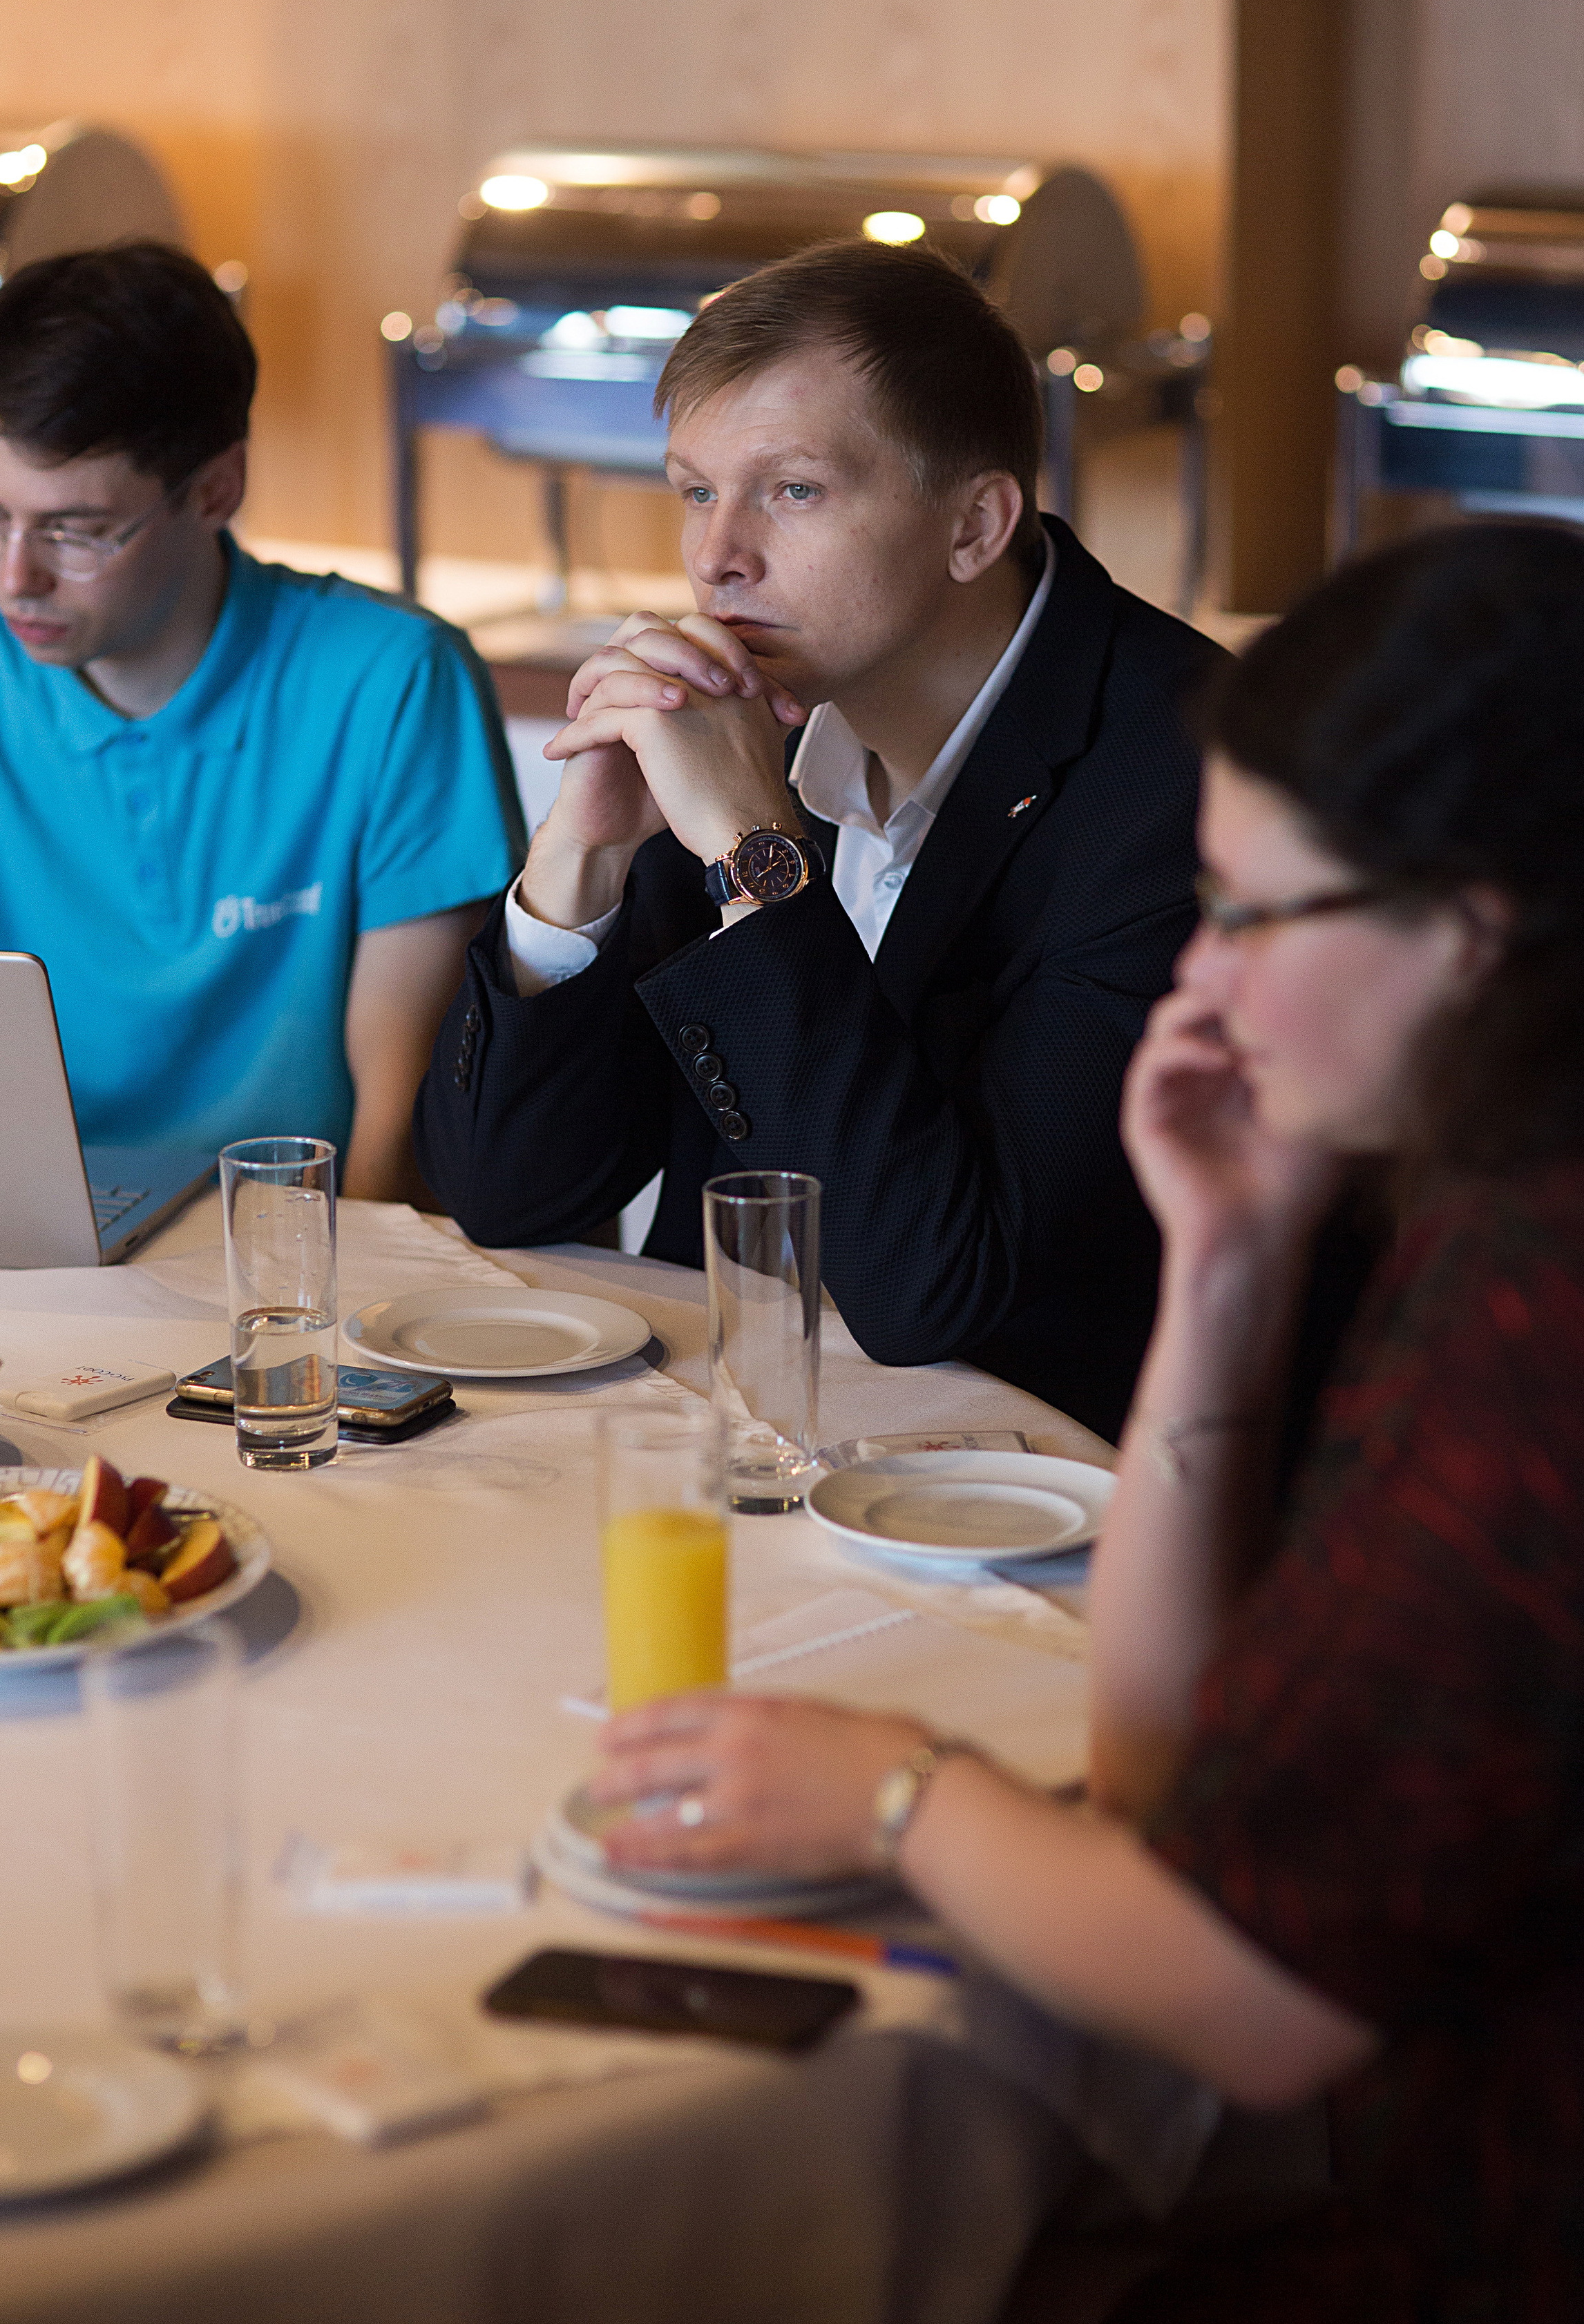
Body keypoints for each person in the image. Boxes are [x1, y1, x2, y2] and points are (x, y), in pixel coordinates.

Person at [590, 522, 1584, 2324]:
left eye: (1250, 914)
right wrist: (1225, 1273)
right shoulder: (1518, 1189)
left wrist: (894, 1795)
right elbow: (1183, 1799)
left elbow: (1249, 2002)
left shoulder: (1568, 1315)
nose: (1206, 988)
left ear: (1471, 936)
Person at [415, 242, 1224, 1440]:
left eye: (792, 492)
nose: (715, 557)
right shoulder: (741, 710)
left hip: (1028, 1502)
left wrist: (755, 849)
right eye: (696, 490)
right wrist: (576, 860)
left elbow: (929, 1288)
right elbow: (506, 1191)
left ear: (974, 525)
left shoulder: (1183, 781)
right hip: (734, 1439)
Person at [0, 242, 523, 1198]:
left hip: (298, 1260)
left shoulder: (389, 682)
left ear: (217, 489)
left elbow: (403, 1132)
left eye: (76, 530)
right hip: (28, 1246)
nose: (14, 576)